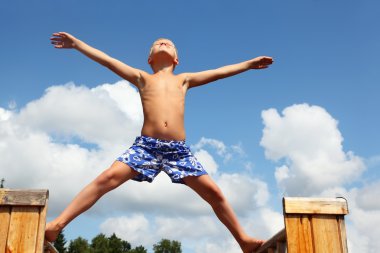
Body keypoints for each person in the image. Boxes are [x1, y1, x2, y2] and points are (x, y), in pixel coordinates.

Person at [47, 32, 273, 253]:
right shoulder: (141, 77)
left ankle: (243, 241)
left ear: (176, 59)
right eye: (157, 43)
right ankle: (57, 226)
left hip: (178, 152)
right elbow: (108, 61)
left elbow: (219, 72)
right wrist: (77, 44)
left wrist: (249, 64)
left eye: (169, 43)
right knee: (106, 179)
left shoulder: (184, 79)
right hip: (146, 147)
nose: (163, 42)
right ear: (149, 59)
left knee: (214, 193)